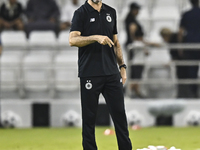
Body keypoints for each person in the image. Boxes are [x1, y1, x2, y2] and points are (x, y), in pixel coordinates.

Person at [69, 0, 132, 150]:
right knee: (89, 119)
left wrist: (122, 66)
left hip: (111, 73)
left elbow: (116, 42)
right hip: (90, 73)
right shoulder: (80, 13)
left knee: (120, 117)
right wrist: (95, 37)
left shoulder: (111, 12)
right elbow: (72, 40)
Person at [179, 0, 200, 98]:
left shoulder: (186, 14)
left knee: (192, 69)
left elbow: (181, 31)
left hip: (190, 44)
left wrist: (180, 46)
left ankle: (193, 92)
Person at [160, 28, 189, 98]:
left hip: (182, 61)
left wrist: (170, 62)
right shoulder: (174, 38)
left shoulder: (173, 40)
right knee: (183, 78)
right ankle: (183, 94)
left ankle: (184, 95)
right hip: (182, 61)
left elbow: (176, 54)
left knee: (183, 78)